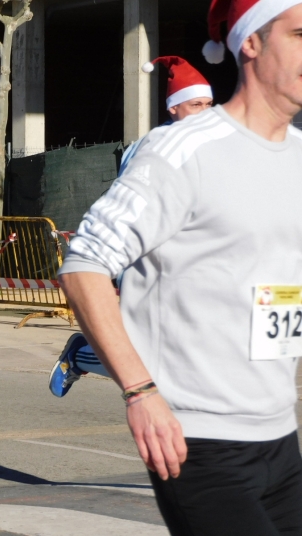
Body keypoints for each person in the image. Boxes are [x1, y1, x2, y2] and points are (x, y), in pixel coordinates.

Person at [59, 0, 302, 532]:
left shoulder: (299, 157)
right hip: (196, 438)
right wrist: (140, 393)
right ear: (251, 44)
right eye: (300, 34)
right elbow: (83, 264)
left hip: (281, 437)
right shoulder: (183, 151)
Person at [49, 56, 214, 398]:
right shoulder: (150, 149)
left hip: (195, 268)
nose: (206, 113)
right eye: (196, 104)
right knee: (147, 361)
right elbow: (126, 210)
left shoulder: (214, 148)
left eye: (210, 105)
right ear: (174, 108)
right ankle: (79, 357)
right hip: (150, 265)